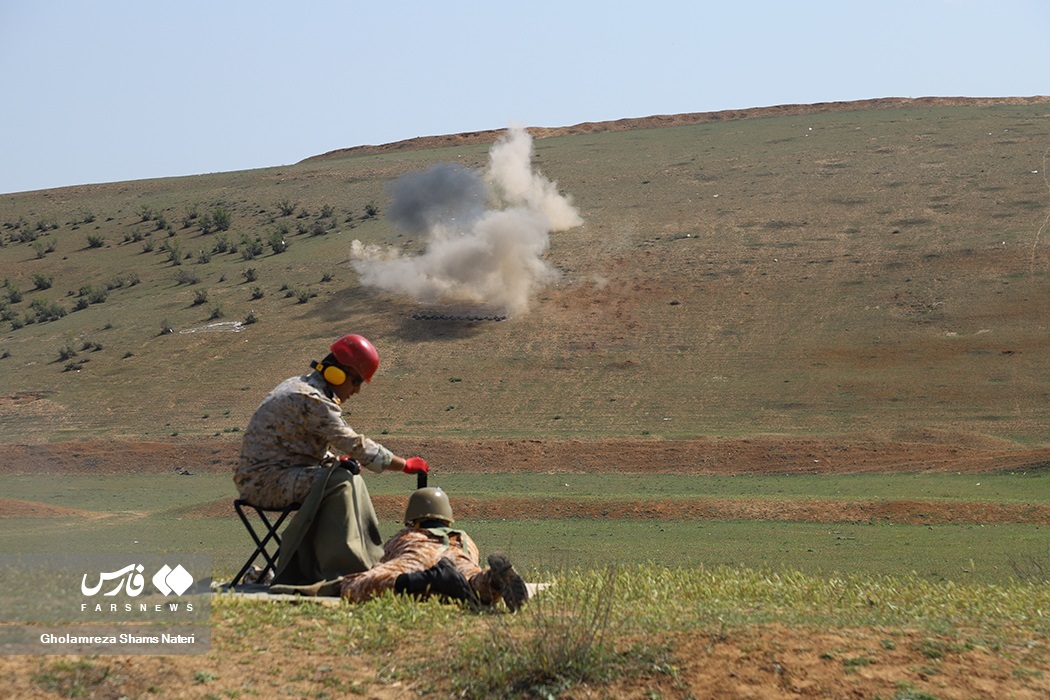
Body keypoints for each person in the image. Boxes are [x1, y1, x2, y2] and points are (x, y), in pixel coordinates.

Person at [233, 333, 428, 585]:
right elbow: (354, 443)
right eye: (356, 381)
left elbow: (295, 447)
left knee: (341, 473)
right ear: (337, 374)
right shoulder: (312, 399)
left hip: (265, 478)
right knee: (339, 481)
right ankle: (347, 570)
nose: (357, 390)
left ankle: (344, 564)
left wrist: (333, 459)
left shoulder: (301, 387)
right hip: (265, 485)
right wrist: (403, 465)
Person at [340, 486, 529, 612]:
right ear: (447, 517)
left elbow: (382, 559)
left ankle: (428, 580)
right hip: (456, 554)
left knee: (353, 586)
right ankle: (493, 580)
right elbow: (472, 558)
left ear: (413, 520)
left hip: (418, 554)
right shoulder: (464, 537)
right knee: (472, 584)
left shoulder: (406, 535)